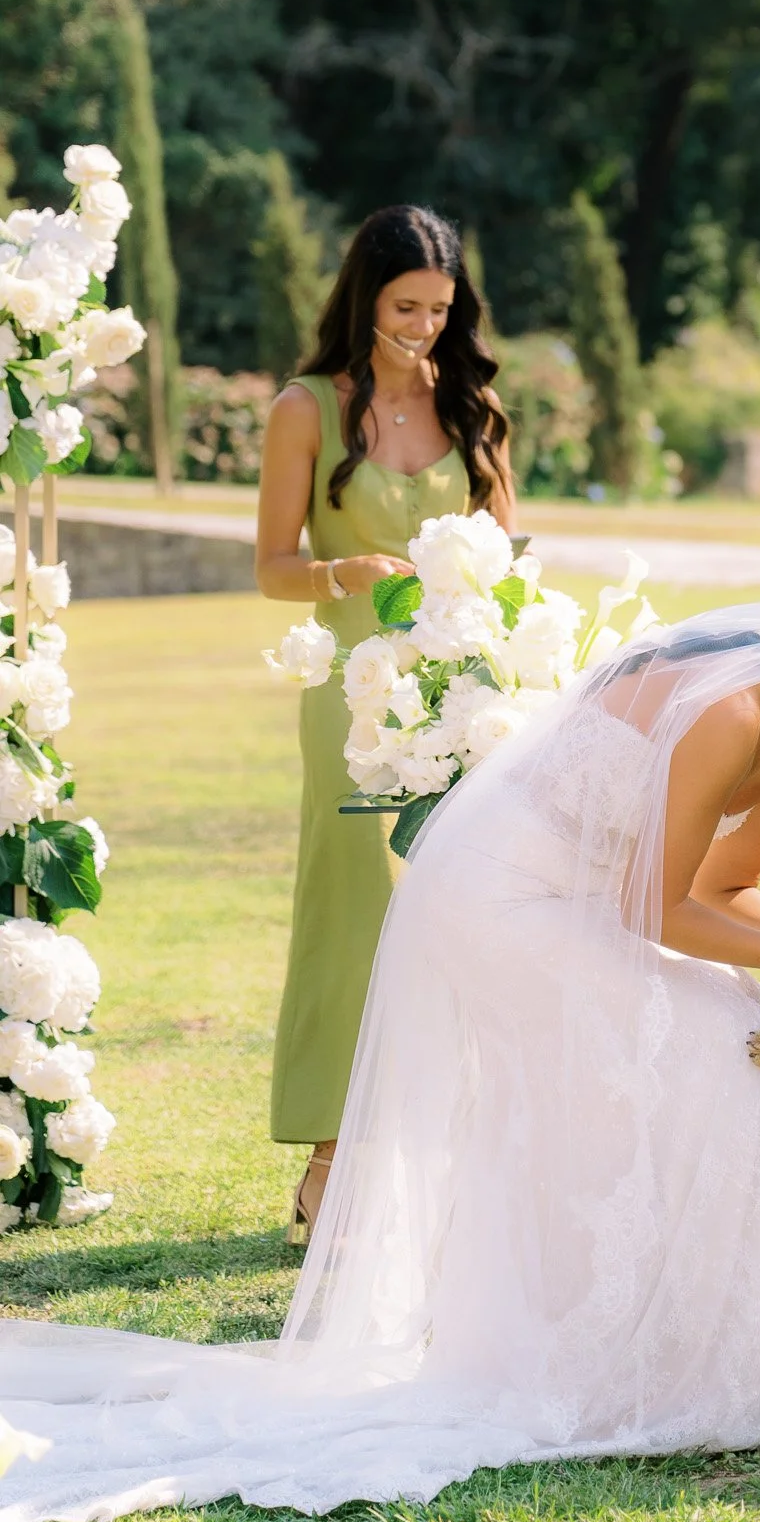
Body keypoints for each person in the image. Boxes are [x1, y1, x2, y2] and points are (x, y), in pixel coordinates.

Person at [0, 605, 760, 1522]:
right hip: (500, 893)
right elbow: (657, 909)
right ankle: (607, 1360)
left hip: (584, 899)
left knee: (742, 1034)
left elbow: (723, 887)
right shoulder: (733, 716)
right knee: (721, 1049)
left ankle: (675, 1354)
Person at [255, 204, 514, 1238]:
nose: (423, 326)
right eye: (406, 306)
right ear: (365, 300)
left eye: (441, 309)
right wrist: (340, 569)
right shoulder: (305, 408)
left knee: (465, 904)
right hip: (355, 689)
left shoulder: (476, 406)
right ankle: (328, 1158)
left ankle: (460, 1151)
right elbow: (271, 568)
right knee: (354, 900)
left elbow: (506, 558)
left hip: (465, 686)